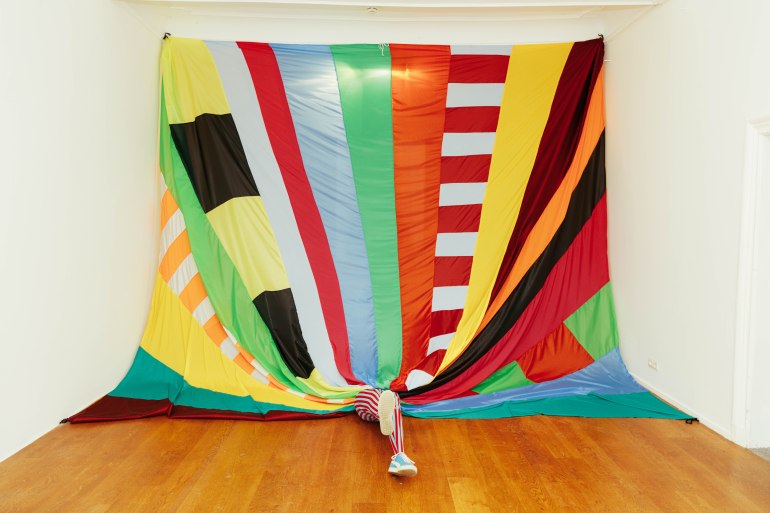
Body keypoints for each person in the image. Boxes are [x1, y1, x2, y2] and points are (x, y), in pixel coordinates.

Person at [354, 388, 417, 477]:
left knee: (393, 396)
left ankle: (396, 462)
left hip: (379, 405)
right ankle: (399, 455)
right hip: (367, 406)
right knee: (371, 395)